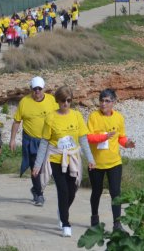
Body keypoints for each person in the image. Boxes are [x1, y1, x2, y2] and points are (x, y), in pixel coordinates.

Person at [32, 86, 95, 238]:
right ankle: (66, 223)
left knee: (72, 190)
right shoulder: (51, 118)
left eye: (68, 100)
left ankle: (62, 210)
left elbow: (83, 139)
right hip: (56, 158)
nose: (65, 103)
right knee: (63, 190)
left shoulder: (77, 116)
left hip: (73, 158)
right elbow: (44, 142)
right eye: (62, 100)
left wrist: (90, 158)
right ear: (57, 101)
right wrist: (38, 165)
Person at [86, 88, 136, 230]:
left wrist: (127, 144)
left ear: (113, 102)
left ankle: (117, 223)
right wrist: (104, 137)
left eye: (107, 101)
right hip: (96, 163)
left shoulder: (119, 118)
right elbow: (88, 137)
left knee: (116, 193)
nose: (103, 104)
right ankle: (94, 218)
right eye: (101, 100)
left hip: (114, 162)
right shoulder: (93, 117)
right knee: (97, 191)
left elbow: (121, 137)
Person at [9, 76, 58, 207]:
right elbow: (17, 121)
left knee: (48, 168)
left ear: (43, 89)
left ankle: (36, 189)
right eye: (35, 89)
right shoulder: (24, 102)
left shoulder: (51, 100)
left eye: (39, 89)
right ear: (31, 89)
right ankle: (39, 194)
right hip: (31, 140)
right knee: (35, 167)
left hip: (48, 140)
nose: (37, 91)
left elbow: (59, 116)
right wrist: (12, 139)